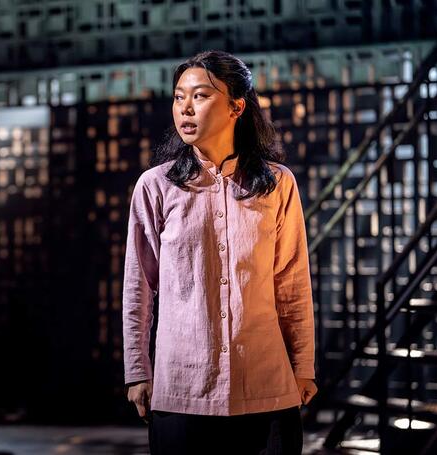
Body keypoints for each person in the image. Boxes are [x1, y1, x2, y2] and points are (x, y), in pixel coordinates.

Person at [122, 50, 317, 454]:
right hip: (183, 387)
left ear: (236, 106)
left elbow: (292, 283)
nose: (186, 108)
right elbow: (138, 288)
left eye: (200, 96)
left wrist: (302, 368)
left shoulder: (277, 184)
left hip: (266, 384)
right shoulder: (156, 186)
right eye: (178, 97)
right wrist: (138, 370)